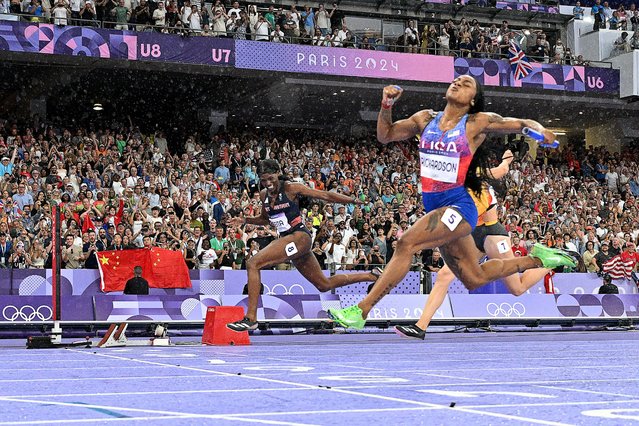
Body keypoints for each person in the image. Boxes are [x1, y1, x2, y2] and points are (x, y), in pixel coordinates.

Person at [328, 76, 576, 329]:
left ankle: (361, 310)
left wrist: (540, 130)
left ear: (472, 99)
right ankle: (540, 260)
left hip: (459, 207)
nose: (457, 83)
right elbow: (386, 135)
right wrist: (386, 105)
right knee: (474, 278)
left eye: (466, 83)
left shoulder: (476, 122)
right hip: (436, 208)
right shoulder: (425, 119)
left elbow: (521, 124)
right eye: (456, 80)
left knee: (405, 243)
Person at [395, 152, 550, 339]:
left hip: (492, 234)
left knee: (517, 288)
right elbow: (500, 169)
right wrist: (506, 159)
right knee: (444, 275)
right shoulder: (456, 183)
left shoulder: (474, 181)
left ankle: (548, 261)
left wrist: (507, 158)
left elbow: (500, 171)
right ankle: (421, 327)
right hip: (471, 237)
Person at [226, 159, 381, 332]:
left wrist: (352, 201)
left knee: (253, 263)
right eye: (263, 180)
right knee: (324, 285)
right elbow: (265, 219)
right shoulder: (263, 195)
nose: (268, 183)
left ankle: (251, 318)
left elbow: (326, 196)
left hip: (300, 237)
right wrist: (245, 220)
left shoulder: (292, 188)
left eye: (271, 178)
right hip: (289, 239)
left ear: (278, 172)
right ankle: (372, 275)